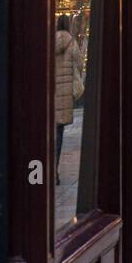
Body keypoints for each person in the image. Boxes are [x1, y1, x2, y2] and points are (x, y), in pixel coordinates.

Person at [54, 15, 76, 185]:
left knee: (47, 131)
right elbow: (78, 65)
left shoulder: (48, 40)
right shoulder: (71, 42)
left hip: (50, 90)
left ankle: (43, 169)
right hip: (65, 92)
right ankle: (55, 168)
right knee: (59, 132)